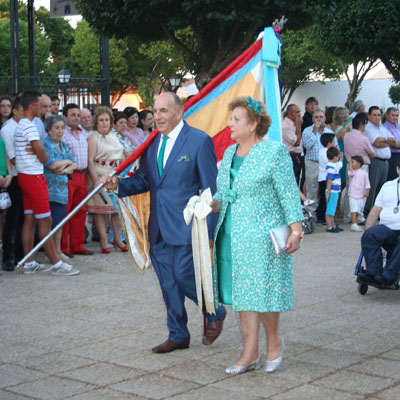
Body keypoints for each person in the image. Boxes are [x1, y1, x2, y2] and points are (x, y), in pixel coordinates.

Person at [103, 92, 226, 353]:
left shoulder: (198, 141)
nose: (157, 116)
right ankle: (178, 334)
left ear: (179, 113)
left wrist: (210, 230)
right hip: (158, 226)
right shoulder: (150, 144)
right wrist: (119, 185)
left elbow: (211, 190)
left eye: (163, 111)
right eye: (155, 111)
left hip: (187, 226)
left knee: (183, 274)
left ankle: (214, 310)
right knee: (168, 283)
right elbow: (146, 180)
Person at [209, 96, 303, 375]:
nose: (230, 125)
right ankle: (249, 353)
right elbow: (223, 193)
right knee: (242, 294)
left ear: (253, 125)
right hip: (231, 236)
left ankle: (274, 341)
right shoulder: (228, 154)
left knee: (262, 293)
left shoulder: (274, 152)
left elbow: (288, 195)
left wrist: (296, 231)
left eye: (236, 119)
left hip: (263, 237)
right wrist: (206, 205)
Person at [15, 90, 79, 276]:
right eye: (42, 106)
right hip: (34, 177)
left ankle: (29, 262)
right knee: (46, 220)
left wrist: (38, 150)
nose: (45, 109)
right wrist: (39, 151)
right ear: (33, 106)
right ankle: (56, 263)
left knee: (30, 219)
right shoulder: (29, 127)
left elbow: (39, 151)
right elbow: (43, 157)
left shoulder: (24, 125)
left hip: (26, 175)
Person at [87, 106, 127, 254]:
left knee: (116, 211)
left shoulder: (114, 136)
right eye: (101, 120)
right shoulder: (93, 138)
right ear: (96, 122)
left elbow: (121, 154)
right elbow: (90, 161)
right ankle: (104, 240)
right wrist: (95, 180)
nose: (104, 123)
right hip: (100, 174)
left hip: (115, 174)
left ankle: (117, 239)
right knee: (101, 211)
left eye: (107, 120)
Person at [359, 159, 400, 286]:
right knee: (370, 234)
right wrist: (367, 231)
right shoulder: (388, 186)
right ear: (398, 169)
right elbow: (375, 210)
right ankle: (374, 272)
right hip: (387, 229)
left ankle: (388, 276)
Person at [43, 115, 77, 261]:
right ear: (49, 130)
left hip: (62, 190)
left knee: (60, 221)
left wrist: (65, 166)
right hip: (50, 190)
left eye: (62, 128)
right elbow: (51, 165)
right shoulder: (45, 144)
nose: (60, 131)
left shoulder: (63, 145)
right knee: (50, 223)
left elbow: (74, 164)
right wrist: (66, 164)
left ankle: (58, 250)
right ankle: (49, 253)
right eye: (56, 128)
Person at [61, 104, 93, 257]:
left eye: (78, 115)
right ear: (65, 116)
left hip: (82, 175)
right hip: (69, 175)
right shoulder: (63, 133)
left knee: (80, 211)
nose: (76, 118)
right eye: (72, 115)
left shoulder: (82, 134)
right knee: (66, 211)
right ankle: (63, 247)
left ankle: (77, 245)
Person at [0, 97, 25, 271]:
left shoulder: (22, 126)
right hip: (11, 178)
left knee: (20, 218)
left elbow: (7, 156)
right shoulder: (7, 129)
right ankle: (8, 256)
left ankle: (19, 255)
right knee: (12, 220)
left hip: (13, 176)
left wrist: (8, 172)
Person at [364, 106, 400, 217]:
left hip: (385, 161)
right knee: (373, 187)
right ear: (369, 116)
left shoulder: (381, 127)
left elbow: (393, 141)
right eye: (374, 115)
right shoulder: (368, 128)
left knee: (382, 188)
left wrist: (384, 140)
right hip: (375, 160)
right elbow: (375, 143)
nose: (377, 117)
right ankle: (368, 213)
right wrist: (388, 141)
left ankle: (378, 212)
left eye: (378, 115)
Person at [302, 108, 334, 214]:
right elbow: (307, 145)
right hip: (312, 163)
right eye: (316, 117)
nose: (318, 119)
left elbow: (335, 148)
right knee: (311, 188)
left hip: (326, 164)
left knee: (325, 188)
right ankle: (310, 212)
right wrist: (314, 132)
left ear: (325, 118)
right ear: (312, 119)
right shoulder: (307, 131)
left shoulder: (329, 132)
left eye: (321, 117)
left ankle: (324, 212)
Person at [347, 155, 370, 232]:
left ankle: (355, 223)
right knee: (354, 209)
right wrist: (349, 163)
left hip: (361, 195)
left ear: (359, 164)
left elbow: (367, 184)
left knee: (358, 209)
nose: (351, 164)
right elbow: (350, 173)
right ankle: (353, 224)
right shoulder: (351, 172)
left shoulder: (364, 173)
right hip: (352, 194)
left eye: (353, 162)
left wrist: (367, 191)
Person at [317, 133, 336, 224]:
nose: (335, 143)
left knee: (324, 198)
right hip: (325, 178)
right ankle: (322, 217)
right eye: (333, 141)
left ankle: (324, 217)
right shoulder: (325, 152)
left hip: (324, 177)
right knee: (324, 198)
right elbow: (330, 162)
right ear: (329, 143)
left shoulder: (322, 151)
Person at [282, 104, 302, 184]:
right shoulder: (285, 126)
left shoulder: (294, 123)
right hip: (291, 156)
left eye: (300, 111)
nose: (300, 114)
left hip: (298, 156)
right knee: (292, 182)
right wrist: (298, 127)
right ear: (290, 114)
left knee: (297, 180)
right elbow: (296, 142)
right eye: (297, 112)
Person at [325, 147, 343, 233]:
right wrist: (328, 192)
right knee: (330, 210)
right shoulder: (330, 167)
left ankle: (333, 225)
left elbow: (339, 165)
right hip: (332, 191)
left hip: (334, 190)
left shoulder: (333, 165)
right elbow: (329, 180)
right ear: (335, 157)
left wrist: (341, 159)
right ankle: (329, 227)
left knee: (332, 209)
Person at [383, 107, 400, 181]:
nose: (395, 117)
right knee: (393, 180)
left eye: (397, 115)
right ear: (387, 116)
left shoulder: (397, 127)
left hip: (397, 156)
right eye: (393, 115)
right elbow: (395, 145)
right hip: (392, 157)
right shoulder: (385, 128)